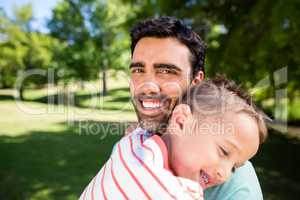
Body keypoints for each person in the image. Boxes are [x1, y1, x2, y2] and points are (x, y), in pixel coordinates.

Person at [128, 16, 264, 199]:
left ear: (196, 82)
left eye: (166, 71)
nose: (147, 85)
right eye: (138, 70)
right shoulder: (133, 146)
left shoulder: (234, 186)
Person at [79, 76, 268, 199]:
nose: (225, 174)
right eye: (224, 151)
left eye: (234, 168)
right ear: (180, 121)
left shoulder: (136, 141)